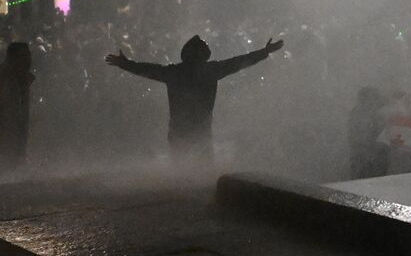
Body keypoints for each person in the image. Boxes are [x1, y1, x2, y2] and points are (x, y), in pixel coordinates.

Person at [105, 33, 283, 163]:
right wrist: (264, 52)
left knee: (181, 164)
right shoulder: (211, 70)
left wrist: (125, 64)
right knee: (201, 164)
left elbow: (146, 69)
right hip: (200, 128)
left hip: (179, 128)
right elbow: (239, 62)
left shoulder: (174, 72)